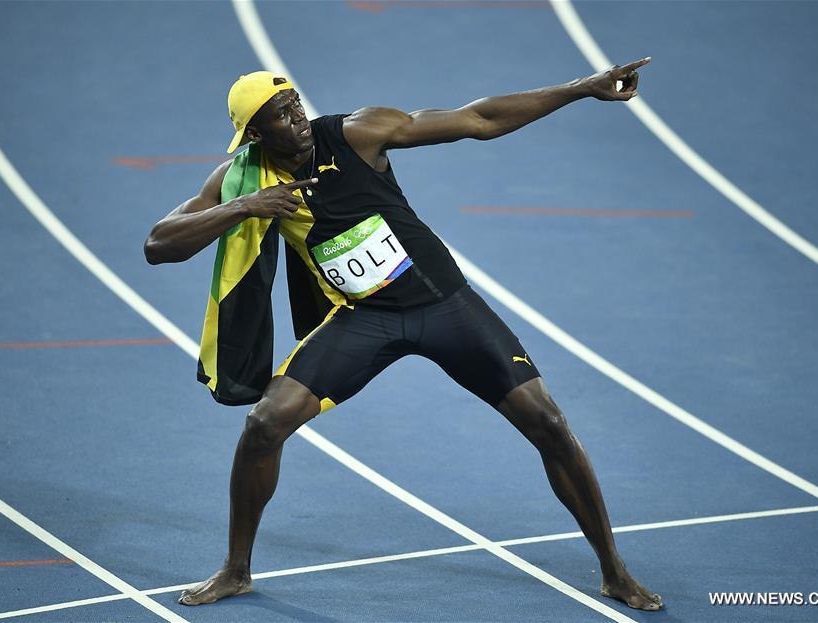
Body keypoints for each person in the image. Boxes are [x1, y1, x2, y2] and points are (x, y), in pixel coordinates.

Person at [144, 58, 662, 612]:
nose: (297, 116)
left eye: (295, 102)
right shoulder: (241, 179)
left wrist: (582, 88)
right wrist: (246, 206)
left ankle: (613, 570)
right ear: (252, 135)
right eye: (279, 114)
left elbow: (478, 120)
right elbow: (159, 244)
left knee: (548, 422)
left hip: (446, 307)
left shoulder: (358, 133)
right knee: (264, 423)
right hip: (365, 319)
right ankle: (235, 570)